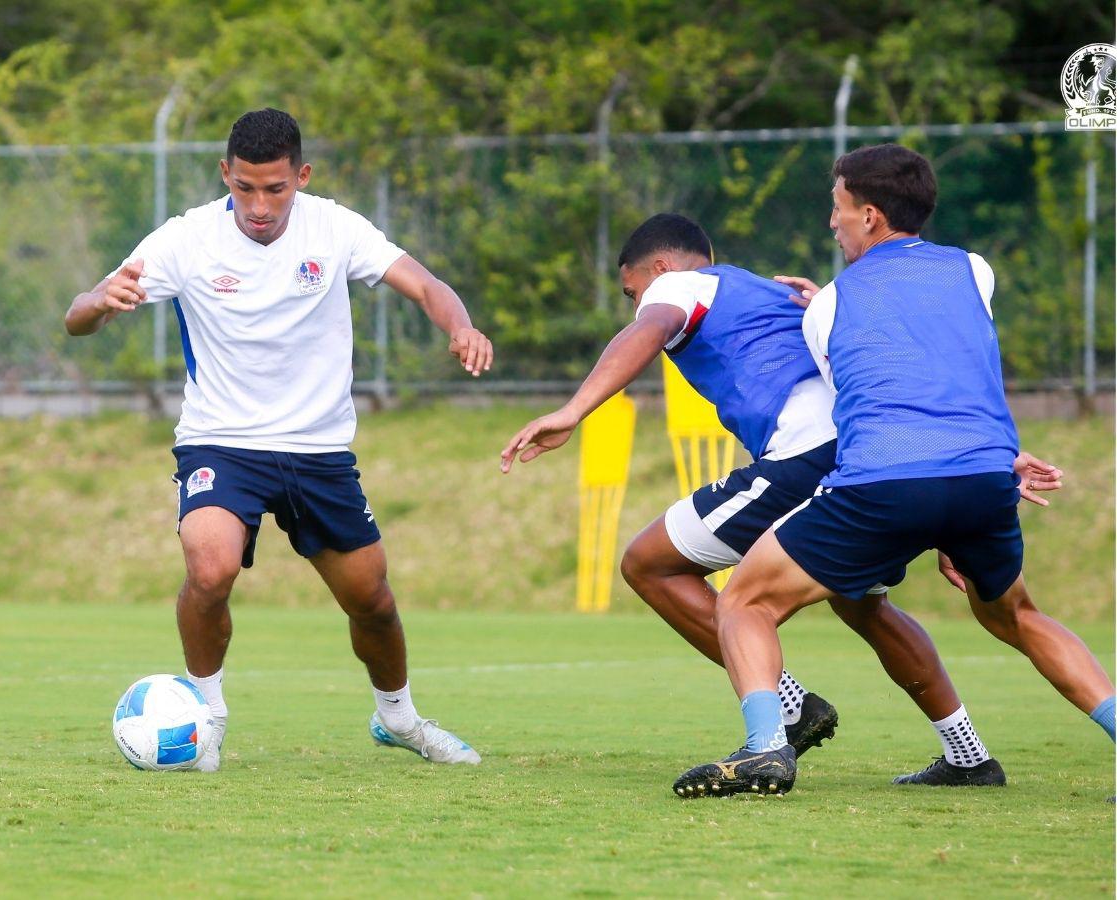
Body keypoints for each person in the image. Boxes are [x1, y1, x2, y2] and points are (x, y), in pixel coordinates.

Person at [500, 212, 1059, 788]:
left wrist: (574, 410)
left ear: (660, 267)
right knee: (863, 604)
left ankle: (786, 712)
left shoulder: (676, 286)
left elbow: (648, 328)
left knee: (650, 564)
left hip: (803, 454)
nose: (635, 303)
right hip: (870, 452)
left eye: (630, 290)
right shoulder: (774, 291)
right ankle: (967, 755)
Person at [672, 143, 1115, 799]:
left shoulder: (827, 309)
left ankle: (765, 749)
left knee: (745, 599)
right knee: (1017, 615)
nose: (833, 222)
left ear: (871, 215)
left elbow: (864, 396)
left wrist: (826, 303)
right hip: (984, 476)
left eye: (838, 207)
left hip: (886, 481)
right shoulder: (974, 269)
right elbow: (942, 359)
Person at [66, 108, 490, 770]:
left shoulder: (335, 228)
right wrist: (96, 303)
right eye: (244, 188)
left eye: (276, 189)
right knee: (211, 567)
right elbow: (79, 315)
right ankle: (206, 721)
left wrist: (459, 325)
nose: (259, 206)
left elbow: (426, 285)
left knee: (371, 600)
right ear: (225, 175)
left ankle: (399, 718)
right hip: (221, 441)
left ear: (302, 176)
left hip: (319, 451)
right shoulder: (186, 240)